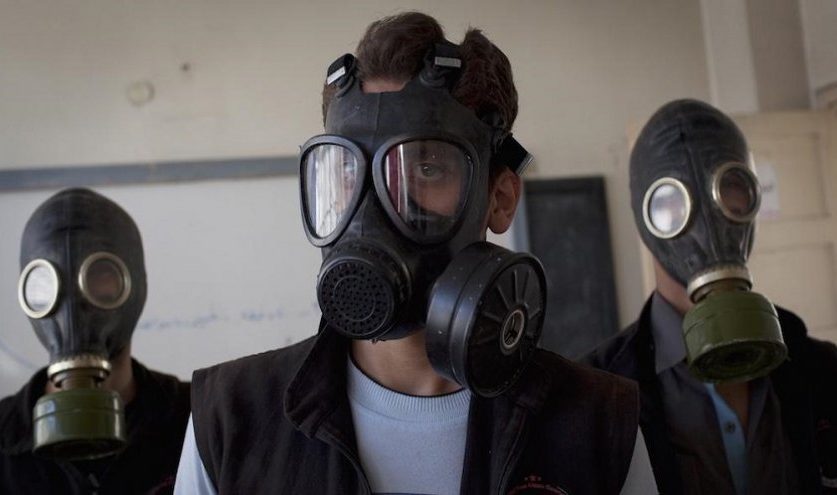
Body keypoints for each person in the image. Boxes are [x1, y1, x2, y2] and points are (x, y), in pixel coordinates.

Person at [175, 12, 639, 495]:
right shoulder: (228, 421)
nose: (371, 207)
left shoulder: (601, 425)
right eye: (347, 171)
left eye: (427, 169)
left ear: (500, 200)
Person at [584, 99, 837, 494]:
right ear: (645, 219)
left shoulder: (823, 371)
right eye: (672, 200)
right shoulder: (596, 399)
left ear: (752, 199)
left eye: (730, 187)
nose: (710, 220)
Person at [0, 187, 191, 494]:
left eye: (101, 274)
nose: (73, 304)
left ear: (136, 287)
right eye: (48, 282)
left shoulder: (198, 422)